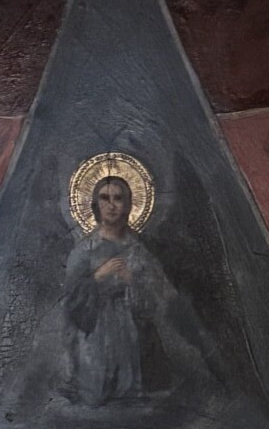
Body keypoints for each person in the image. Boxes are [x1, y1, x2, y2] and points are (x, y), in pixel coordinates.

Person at [61, 174, 206, 407]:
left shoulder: (139, 249)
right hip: (95, 329)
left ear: (128, 205)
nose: (111, 205)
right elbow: (71, 301)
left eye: (118, 198)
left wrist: (132, 280)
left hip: (133, 327)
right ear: (95, 204)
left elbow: (159, 296)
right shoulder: (84, 250)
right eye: (104, 198)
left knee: (135, 388)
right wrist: (98, 276)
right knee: (95, 393)